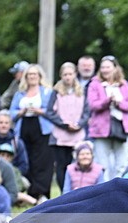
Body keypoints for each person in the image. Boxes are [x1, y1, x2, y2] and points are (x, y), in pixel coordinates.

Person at [87, 55, 128, 182]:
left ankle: (119, 188)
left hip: (121, 128)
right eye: (103, 67)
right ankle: (104, 189)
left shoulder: (123, 84)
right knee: (102, 165)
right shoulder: (94, 84)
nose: (105, 70)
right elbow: (93, 105)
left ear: (115, 68)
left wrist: (119, 103)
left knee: (121, 164)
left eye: (108, 67)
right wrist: (107, 101)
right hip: (101, 130)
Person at [10, 64, 54, 201]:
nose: (32, 77)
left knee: (42, 160)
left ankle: (42, 192)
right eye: (30, 74)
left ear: (39, 76)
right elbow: (11, 112)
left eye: (35, 74)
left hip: (42, 128)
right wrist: (21, 112)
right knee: (27, 160)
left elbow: (53, 110)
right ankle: (29, 194)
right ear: (26, 77)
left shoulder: (46, 92)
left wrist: (40, 111)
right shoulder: (19, 93)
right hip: (24, 126)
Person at [46, 62, 86, 191]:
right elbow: (49, 112)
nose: (68, 77)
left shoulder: (82, 91)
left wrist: (79, 124)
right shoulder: (56, 91)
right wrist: (64, 124)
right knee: (61, 166)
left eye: (70, 74)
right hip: (60, 136)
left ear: (75, 74)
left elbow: (87, 112)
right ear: (61, 76)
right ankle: (64, 192)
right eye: (65, 74)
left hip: (78, 135)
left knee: (77, 165)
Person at [0, 110, 29, 178]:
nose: (4, 125)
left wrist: (11, 174)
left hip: (13, 175)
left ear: (10, 125)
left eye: (6, 123)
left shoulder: (17, 142)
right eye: (1, 123)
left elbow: (24, 166)